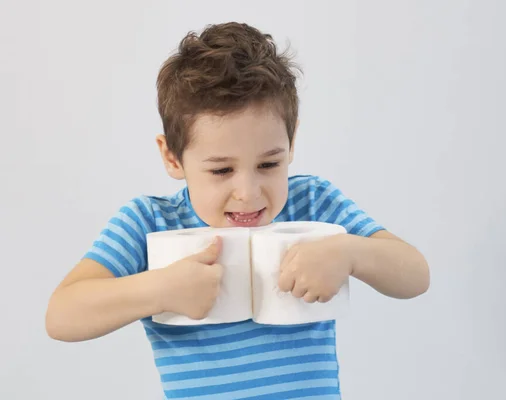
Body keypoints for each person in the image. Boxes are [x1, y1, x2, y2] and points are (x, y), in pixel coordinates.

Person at [45, 22, 430, 399]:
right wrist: (159, 288)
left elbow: (415, 274)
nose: (247, 194)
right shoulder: (149, 223)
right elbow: (62, 316)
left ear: (291, 142)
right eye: (221, 170)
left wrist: (350, 252)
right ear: (172, 157)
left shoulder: (312, 203)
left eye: (268, 165)